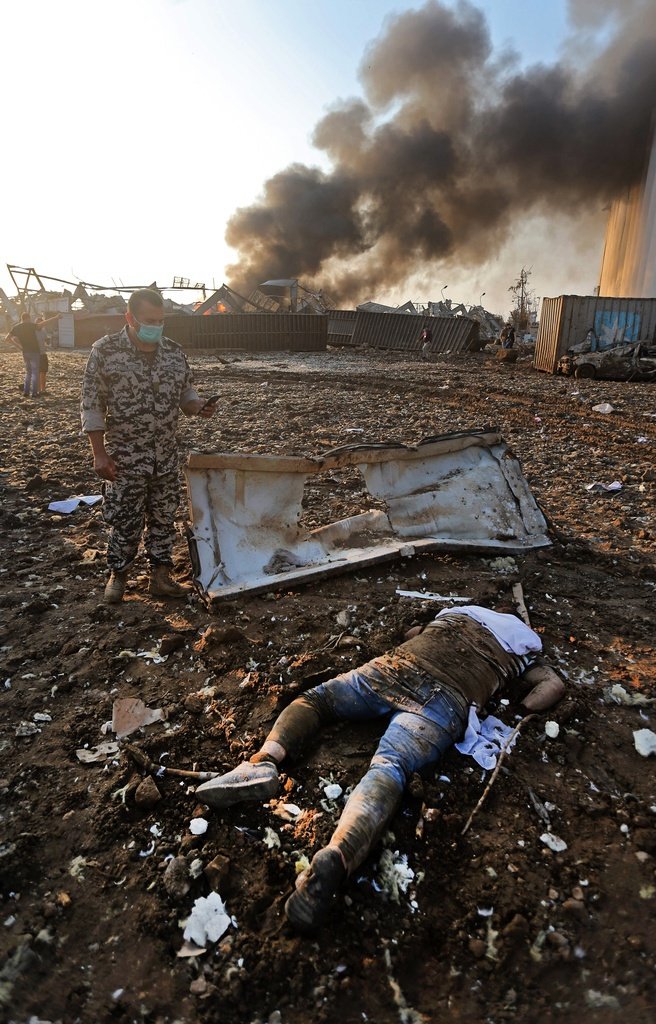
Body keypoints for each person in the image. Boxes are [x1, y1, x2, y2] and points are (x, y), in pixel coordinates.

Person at [196, 604, 565, 932]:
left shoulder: (454, 615)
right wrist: (521, 703)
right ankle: (338, 854)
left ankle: (264, 761)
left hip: (397, 666)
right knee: (391, 766)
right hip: (445, 701)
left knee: (317, 701)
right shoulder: (523, 653)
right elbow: (548, 689)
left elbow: (411, 634)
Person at [80, 288, 215, 604]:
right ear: (130, 318)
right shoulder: (105, 352)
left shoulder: (173, 352)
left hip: (165, 457)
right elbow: (92, 404)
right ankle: (119, 575)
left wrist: (199, 406)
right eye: (149, 320)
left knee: (163, 518)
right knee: (125, 519)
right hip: (125, 458)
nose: (157, 326)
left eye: (161, 320)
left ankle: (161, 577)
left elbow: (186, 395)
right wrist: (98, 453)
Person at [7, 311, 60, 398]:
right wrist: (55, 318)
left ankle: (26, 392)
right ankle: (35, 393)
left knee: (28, 372)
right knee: (35, 372)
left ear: (21, 318)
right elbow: (43, 323)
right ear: (28, 318)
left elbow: (7, 338)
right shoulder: (31, 325)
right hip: (35, 351)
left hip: (25, 352)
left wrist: (19, 346)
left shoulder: (16, 327)